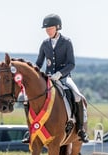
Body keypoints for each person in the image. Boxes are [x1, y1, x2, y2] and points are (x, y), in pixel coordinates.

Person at [22, 13, 89, 143]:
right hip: (48, 78)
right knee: (27, 99)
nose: (48, 31)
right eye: (46, 29)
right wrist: (34, 73)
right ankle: (30, 130)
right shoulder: (45, 43)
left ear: (58, 27)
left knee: (77, 96)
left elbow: (71, 64)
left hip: (64, 78)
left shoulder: (66, 42)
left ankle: (80, 129)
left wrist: (60, 74)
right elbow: (39, 62)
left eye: (50, 28)